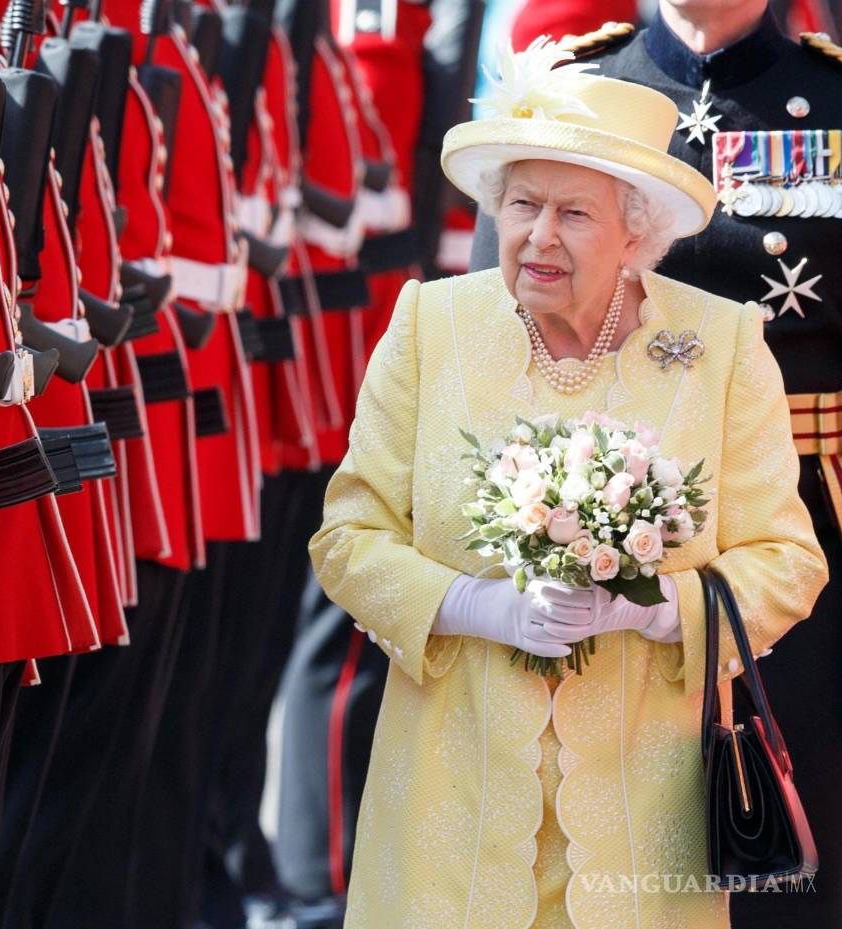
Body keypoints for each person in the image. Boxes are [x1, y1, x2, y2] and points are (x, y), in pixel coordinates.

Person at [309, 43, 828, 929]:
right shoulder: (432, 323)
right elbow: (347, 536)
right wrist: (474, 605)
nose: (538, 236)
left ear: (639, 233)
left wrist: (659, 606)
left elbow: (789, 559)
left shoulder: (723, 345)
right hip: (450, 824)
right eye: (521, 205)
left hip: (642, 827)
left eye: (573, 215)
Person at [473, 6, 842, 925]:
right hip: (602, 521)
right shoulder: (573, 88)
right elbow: (506, 317)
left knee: (794, 838)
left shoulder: (834, 94)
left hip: (800, 513)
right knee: (622, 845)